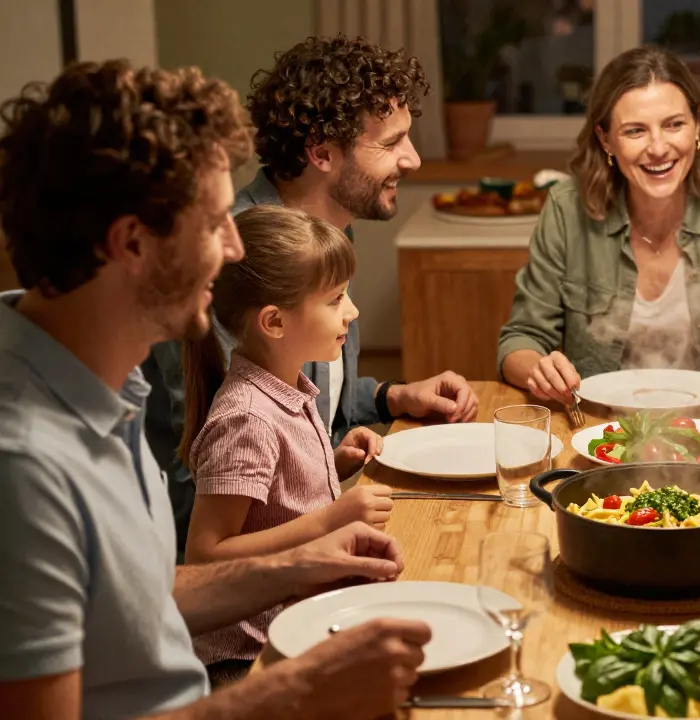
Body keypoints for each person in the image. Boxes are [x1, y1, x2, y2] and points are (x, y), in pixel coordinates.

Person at [0, 60, 430, 719]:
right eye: (212, 221)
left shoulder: (97, 382)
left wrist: (305, 562)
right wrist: (290, 694)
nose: (234, 247)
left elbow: (142, 607)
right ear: (131, 243)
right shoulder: (24, 465)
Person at [143, 34, 478, 558]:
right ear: (322, 153)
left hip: (316, 514)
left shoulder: (331, 234)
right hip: (243, 567)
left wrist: (392, 395)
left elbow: (302, 392)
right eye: (391, 143)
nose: (412, 159)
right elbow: (222, 464)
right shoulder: (237, 264)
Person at [497, 45, 700, 404]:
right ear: (605, 140)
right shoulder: (566, 211)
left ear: (698, 124)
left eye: (674, 124)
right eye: (635, 131)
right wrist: (539, 369)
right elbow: (518, 341)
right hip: (602, 428)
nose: (659, 148)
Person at [183, 205, 398, 685]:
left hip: (299, 625)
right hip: (248, 659)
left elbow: (273, 504)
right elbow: (205, 554)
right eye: (336, 299)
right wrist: (330, 517)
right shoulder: (246, 418)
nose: (353, 311)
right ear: (275, 322)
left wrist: (334, 465)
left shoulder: (285, 386)